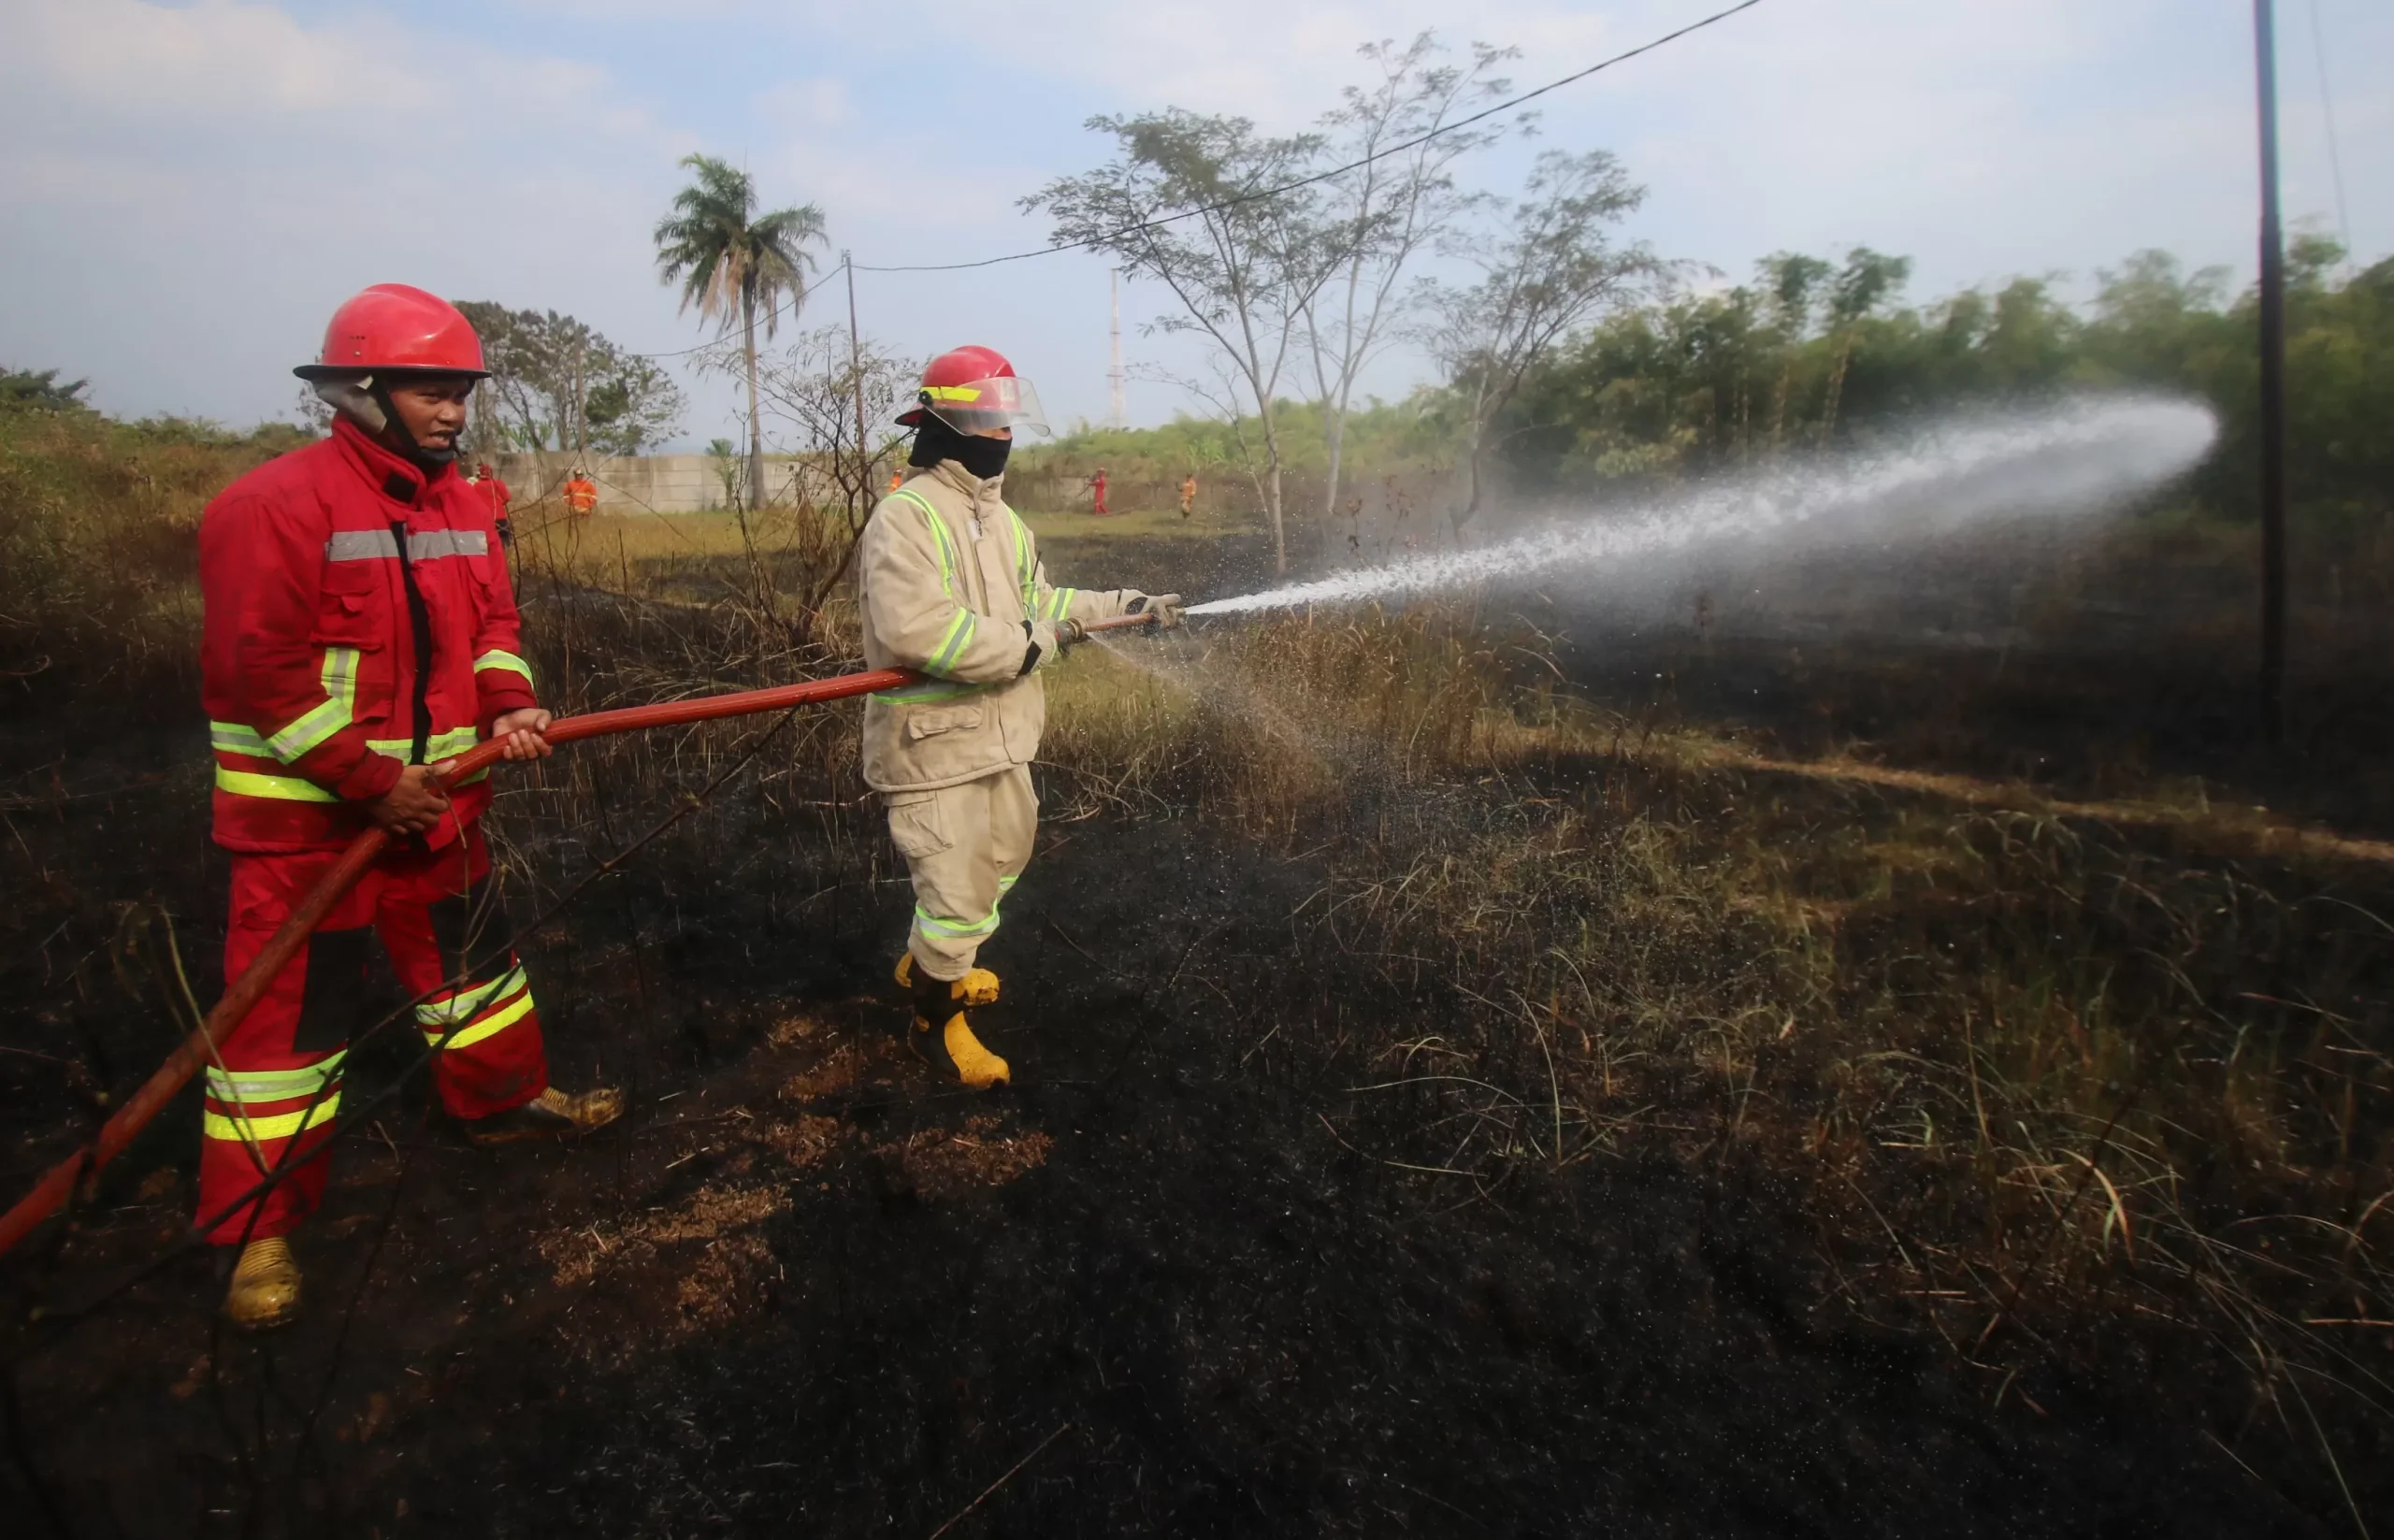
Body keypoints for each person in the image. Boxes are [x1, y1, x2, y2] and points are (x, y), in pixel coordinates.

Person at [197, 283, 623, 1330]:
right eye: (430, 390)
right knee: (282, 1038)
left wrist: (512, 701)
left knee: (475, 974)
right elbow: (262, 676)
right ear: (359, 390)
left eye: (459, 392)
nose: (451, 411)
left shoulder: (462, 506)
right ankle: (256, 1231)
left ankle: (504, 1105)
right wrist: (366, 779)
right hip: (312, 831)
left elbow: (492, 623)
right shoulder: (271, 507)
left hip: (442, 809)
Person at [858, 346, 1182, 1086]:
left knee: (1001, 863)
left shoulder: (1003, 521)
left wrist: (1124, 606)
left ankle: (938, 965)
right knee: (954, 890)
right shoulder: (904, 517)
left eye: (1004, 420)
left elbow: (1044, 607)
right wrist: (1031, 646)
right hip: (933, 750)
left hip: (1002, 740)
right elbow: (920, 630)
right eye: (983, 419)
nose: (998, 434)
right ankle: (933, 1026)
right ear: (941, 421)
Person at [471, 460, 513, 548]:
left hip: (485, 519)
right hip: (500, 518)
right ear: (491, 473)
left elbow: (474, 504)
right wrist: (500, 504)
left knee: (488, 545)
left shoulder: (476, 486)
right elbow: (507, 498)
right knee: (505, 542)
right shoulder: (498, 483)